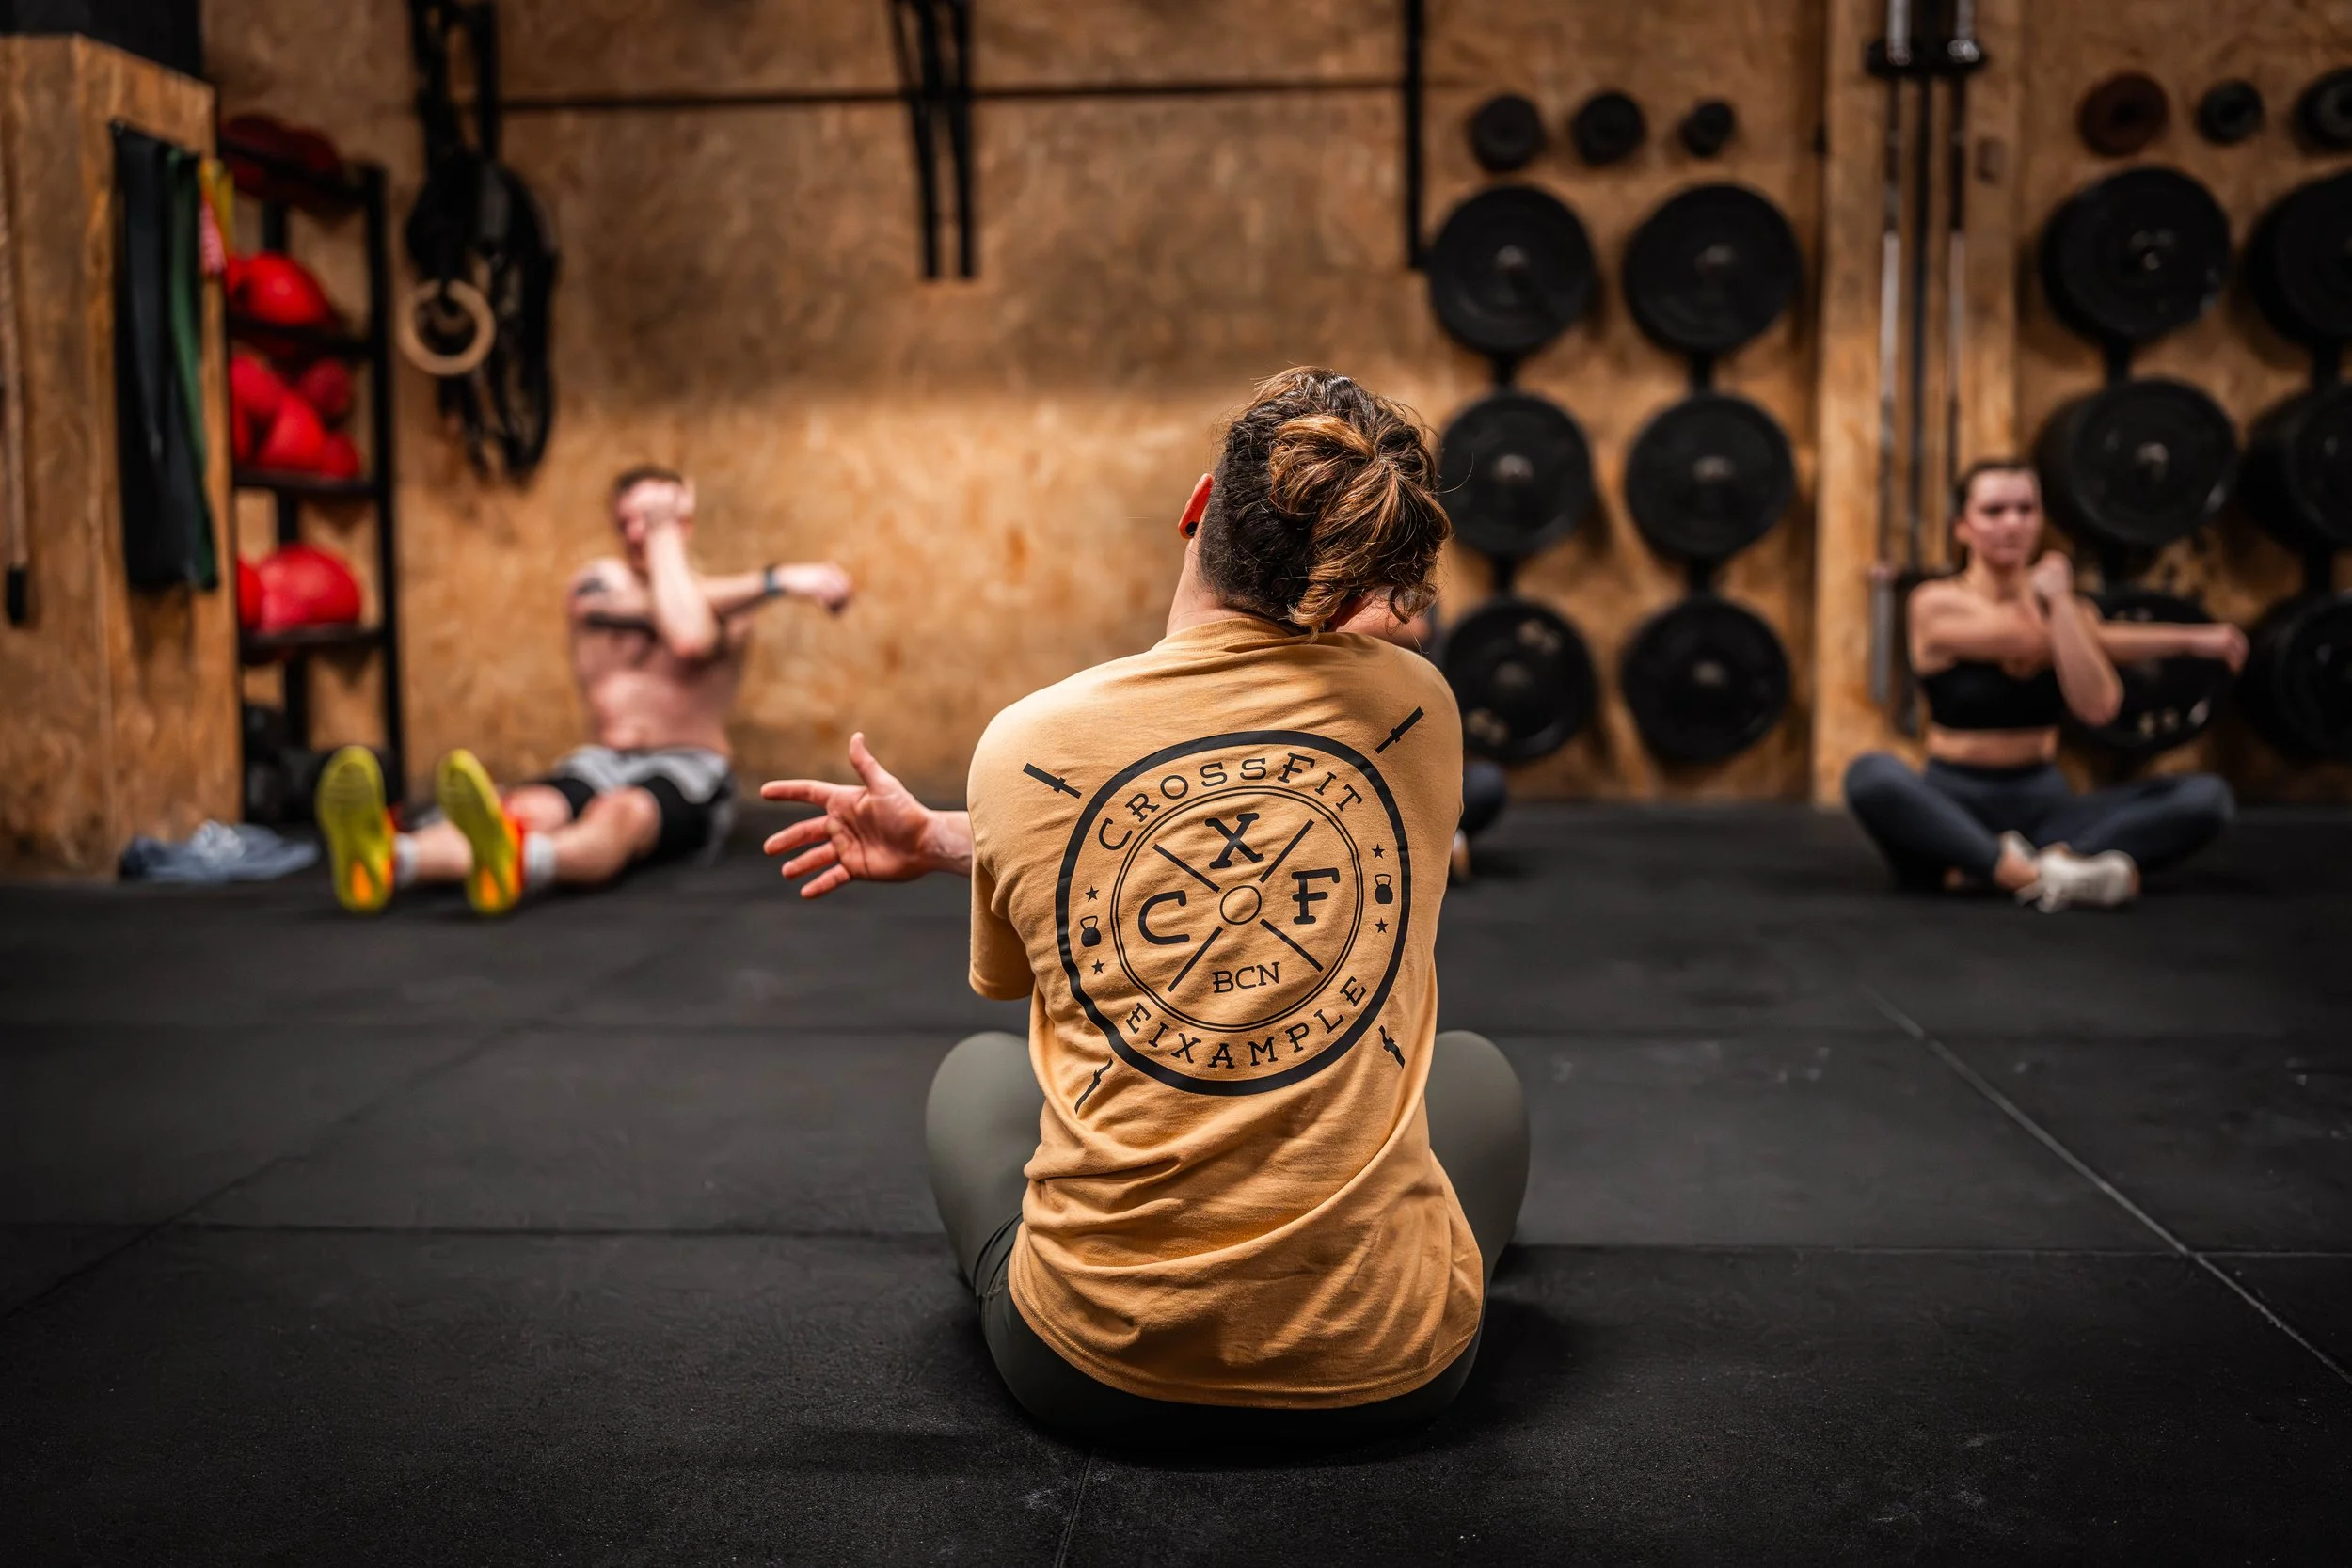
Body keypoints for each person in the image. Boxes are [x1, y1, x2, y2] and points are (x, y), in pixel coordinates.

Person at [760, 369, 1530, 1447]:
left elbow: (1102, 867)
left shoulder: (1029, 742)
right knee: (1477, 1077)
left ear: (1196, 506)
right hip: (1396, 1373)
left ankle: (1027, 1286)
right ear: (1358, 569)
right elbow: (1266, 819)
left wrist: (957, 831)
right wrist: (945, 836)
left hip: (1095, 1374)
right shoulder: (1420, 709)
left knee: (978, 1075)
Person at [314, 465, 852, 915]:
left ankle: (523, 862)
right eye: (631, 522)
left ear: (685, 525)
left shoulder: (731, 613)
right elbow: (679, 614)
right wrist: (779, 580)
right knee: (528, 806)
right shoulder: (596, 585)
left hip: (689, 766)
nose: (642, 532)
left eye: (655, 519)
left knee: (622, 814)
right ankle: (389, 857)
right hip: (602, 756)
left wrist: (673, 540)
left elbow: (688, 636)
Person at [1843, 459, 2241, 911]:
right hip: (1952, 806)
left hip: (2045, 807)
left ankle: (2025, 867)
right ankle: (2026, 874)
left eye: (2026, 509)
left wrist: (2064, 604)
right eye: (1994, 511)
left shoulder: (2068, 612)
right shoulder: (1935, 604)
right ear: (1962, 528)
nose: (2012, 523)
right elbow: (2049, 640)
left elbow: (2100, 707)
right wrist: (2171, 638)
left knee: (2206, 798)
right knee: (1871, 775)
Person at [1341, 602, 1508, 881]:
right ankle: (1423, 845)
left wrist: (1339, 625)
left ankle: (1417, 843)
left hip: (1409, 778)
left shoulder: (1407, 592)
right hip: (1350, 778)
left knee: (1486, 784)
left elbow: (1416, 627)